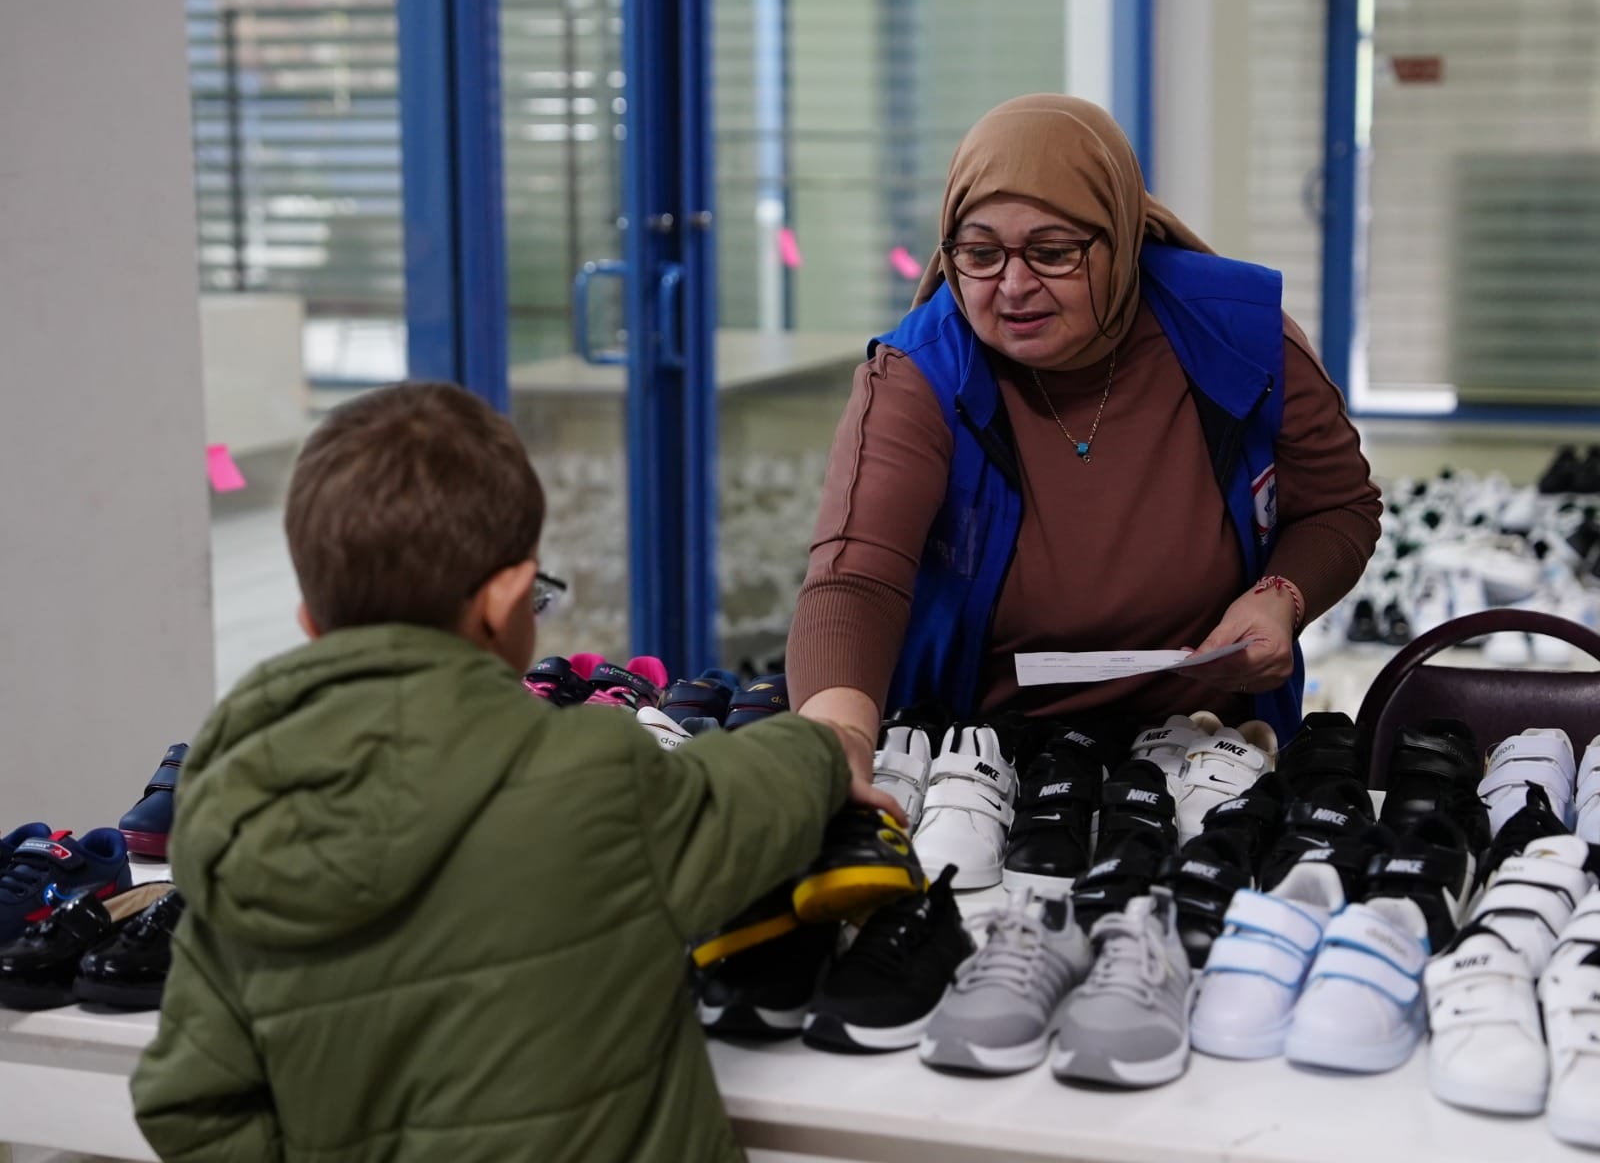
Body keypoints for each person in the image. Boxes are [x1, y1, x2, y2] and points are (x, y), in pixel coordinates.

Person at [130, 382, 884, 1163]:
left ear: (311, 624)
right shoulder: (592, 779)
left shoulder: (237, 824)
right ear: (506, 601)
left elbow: (187, 1103)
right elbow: (749, 794)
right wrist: (827, 743)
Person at [788, 94, 1381, 747]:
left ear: (1121, 237)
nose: (1014, 285)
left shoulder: (1236, 338)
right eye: (981, 254)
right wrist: (838, 741)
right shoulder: (921, 375)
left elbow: (1337, 506)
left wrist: (1281, 594)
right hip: (982, 753)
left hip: (1208, 746)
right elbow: (856, 578)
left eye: (1052, 252)